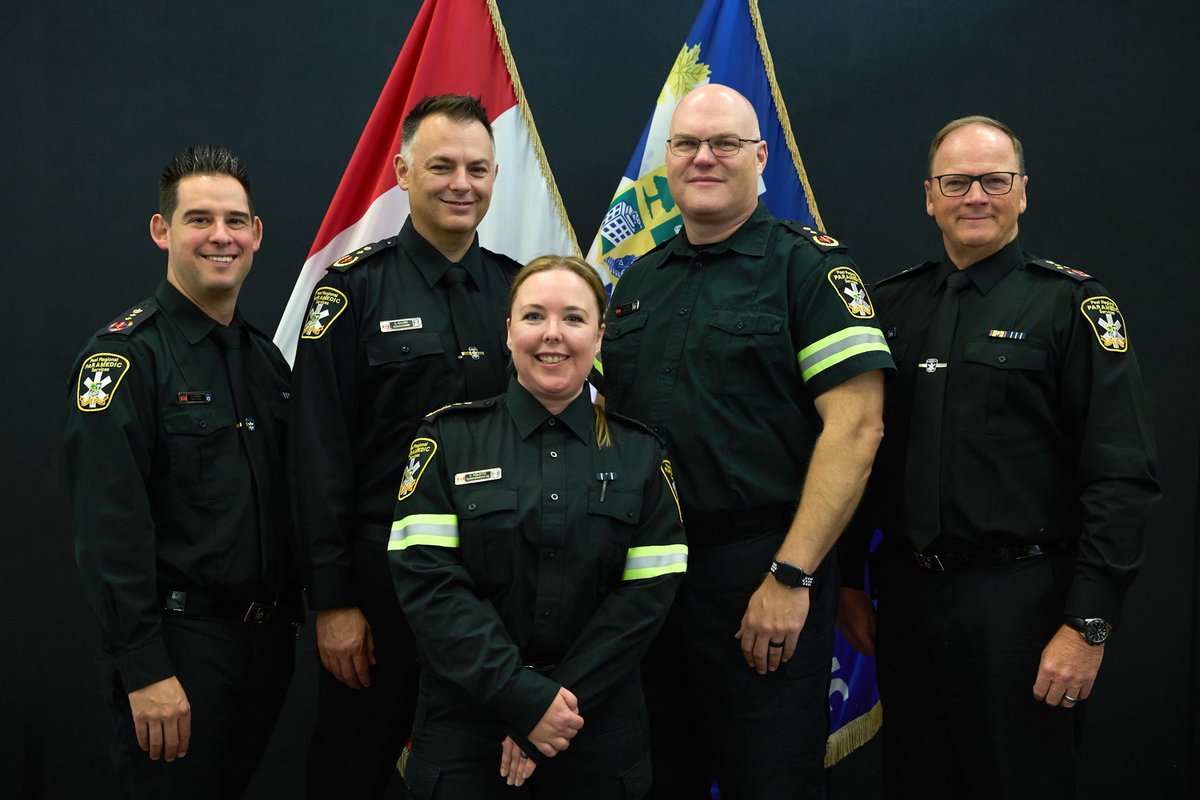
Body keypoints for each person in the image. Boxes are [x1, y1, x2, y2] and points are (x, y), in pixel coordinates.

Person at [836, 116, 1160, 797]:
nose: (976, 197)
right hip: (906, 601)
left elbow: (1121, 476)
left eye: (994, 181)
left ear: (1023, 192)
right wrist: (847, 579)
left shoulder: (1071, 306)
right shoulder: (889, 306)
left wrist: (1088, 624)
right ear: (930, 196)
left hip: (1023, 607)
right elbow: (861, 448)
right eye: (957, 182)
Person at [598, 84, 893, 799]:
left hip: (760, 571)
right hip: (647, 581)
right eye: (688, 144)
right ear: (668, 160)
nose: (704, 157)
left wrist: (791, 577)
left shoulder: (808, 269)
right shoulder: (637, 283)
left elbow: (858, 427)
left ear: (760, 156)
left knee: (769, 781)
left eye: (724, 143)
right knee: (652, 780)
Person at [289, 93, 522, 796]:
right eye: (442, 165)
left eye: (478, 169)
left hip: (494, 583)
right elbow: (317, 453)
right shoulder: (351, 292)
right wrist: (333, 601)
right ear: (402, 172)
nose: (461, 184)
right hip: (379, 581)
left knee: (480, 773)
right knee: (352, 768)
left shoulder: (519, 291)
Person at [389, 255, 687, 799]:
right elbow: (431, 586)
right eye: (534, 316)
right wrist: (522, 697)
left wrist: (557, 705)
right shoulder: (447, 440)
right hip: (468, 730)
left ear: (600, 335)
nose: (553, 334)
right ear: (508, 332)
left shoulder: (641, 454)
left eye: (573, 318)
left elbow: (645, 599)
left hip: (595, 729)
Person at [64, 145, 297, 798]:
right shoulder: (126, 360)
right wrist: (144, 668)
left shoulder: (266, 364)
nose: (221, 236)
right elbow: (109, 531)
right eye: (199, 219)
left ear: (256, 233)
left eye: (235, 220)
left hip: (265, 645)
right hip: (179, 650)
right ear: (161, 230)